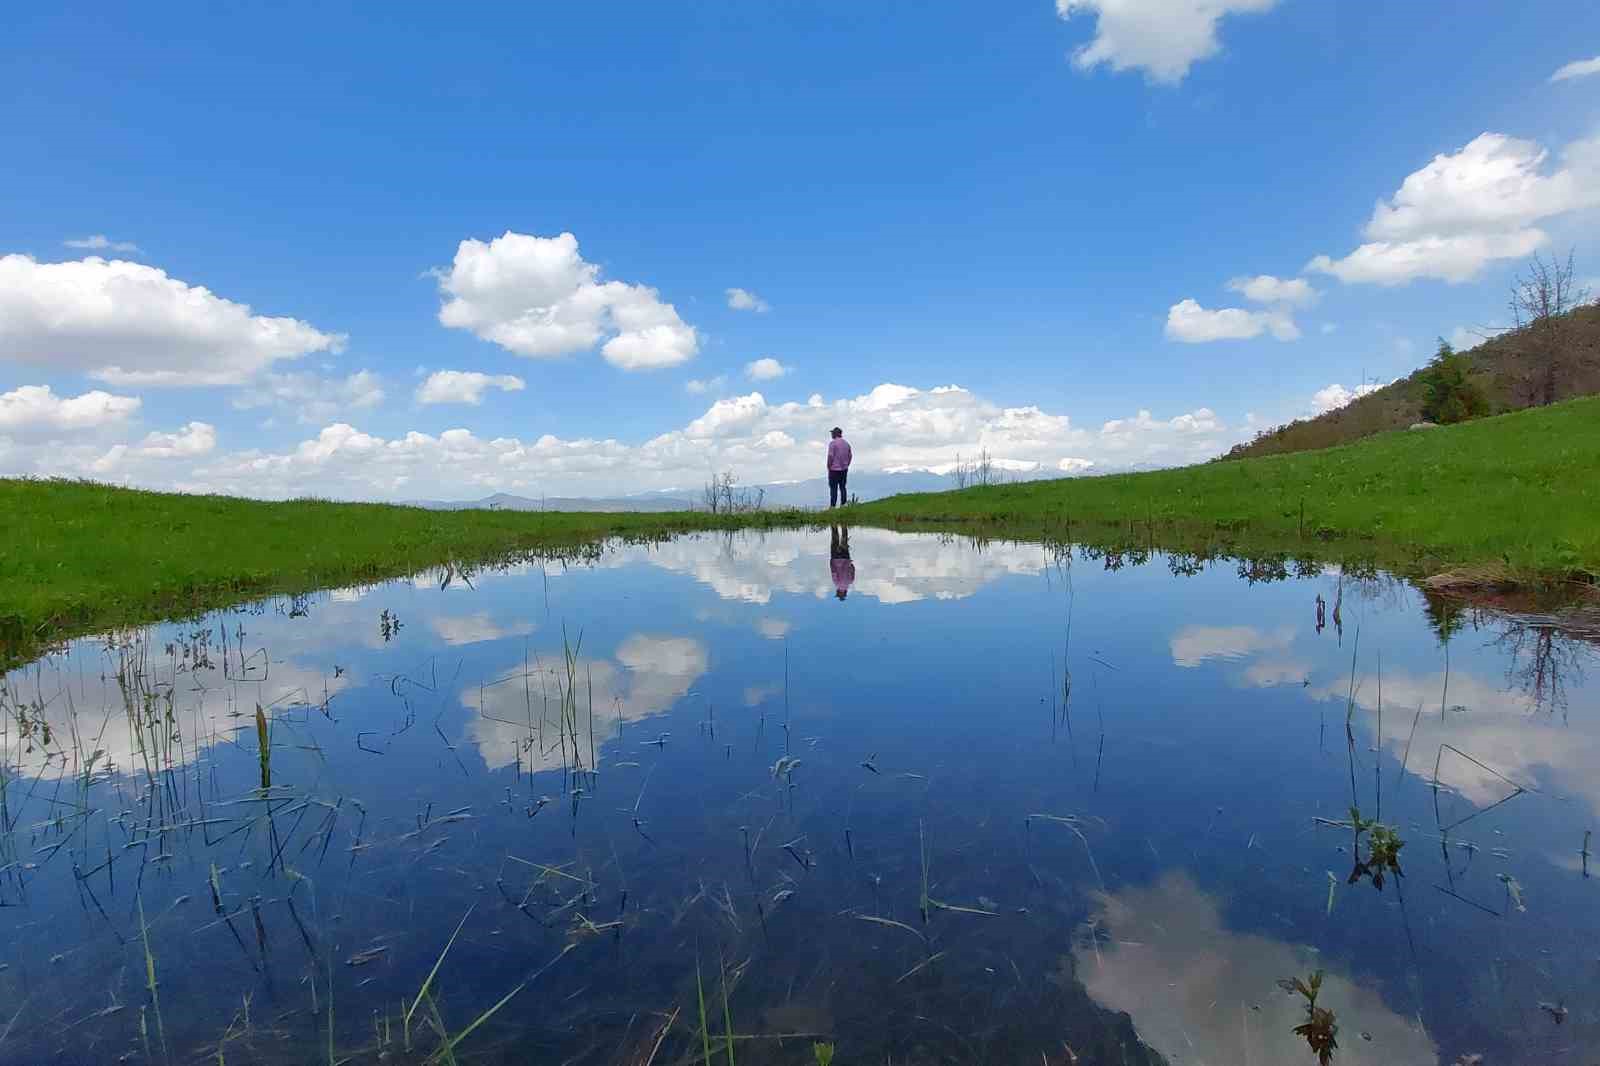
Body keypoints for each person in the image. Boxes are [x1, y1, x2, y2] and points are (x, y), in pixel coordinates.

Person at [826, 426, 852, 508]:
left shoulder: (832, 443)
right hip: (844, 469)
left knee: (833, 488)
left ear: (835, 434)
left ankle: (833, 506)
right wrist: (847, 464)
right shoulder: (846, 444)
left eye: (832, 433)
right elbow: (850, 455)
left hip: (834, 469)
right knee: (842, 487)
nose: (831, 434)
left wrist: (828, 466)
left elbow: (830, 456)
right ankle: (843, 504)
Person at [830, 524, 855, 601]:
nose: (836, 592)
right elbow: (833, 572)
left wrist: (850, 563)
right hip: (835, 558)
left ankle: (844, 525)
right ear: (839, 592)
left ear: (845, 592)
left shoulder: (850, 582)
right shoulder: (836, 583)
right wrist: (831, 562)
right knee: (835, 540)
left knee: (844, 541)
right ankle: (834, 524)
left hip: (846, 558)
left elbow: (853, 569)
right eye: (837, 593)